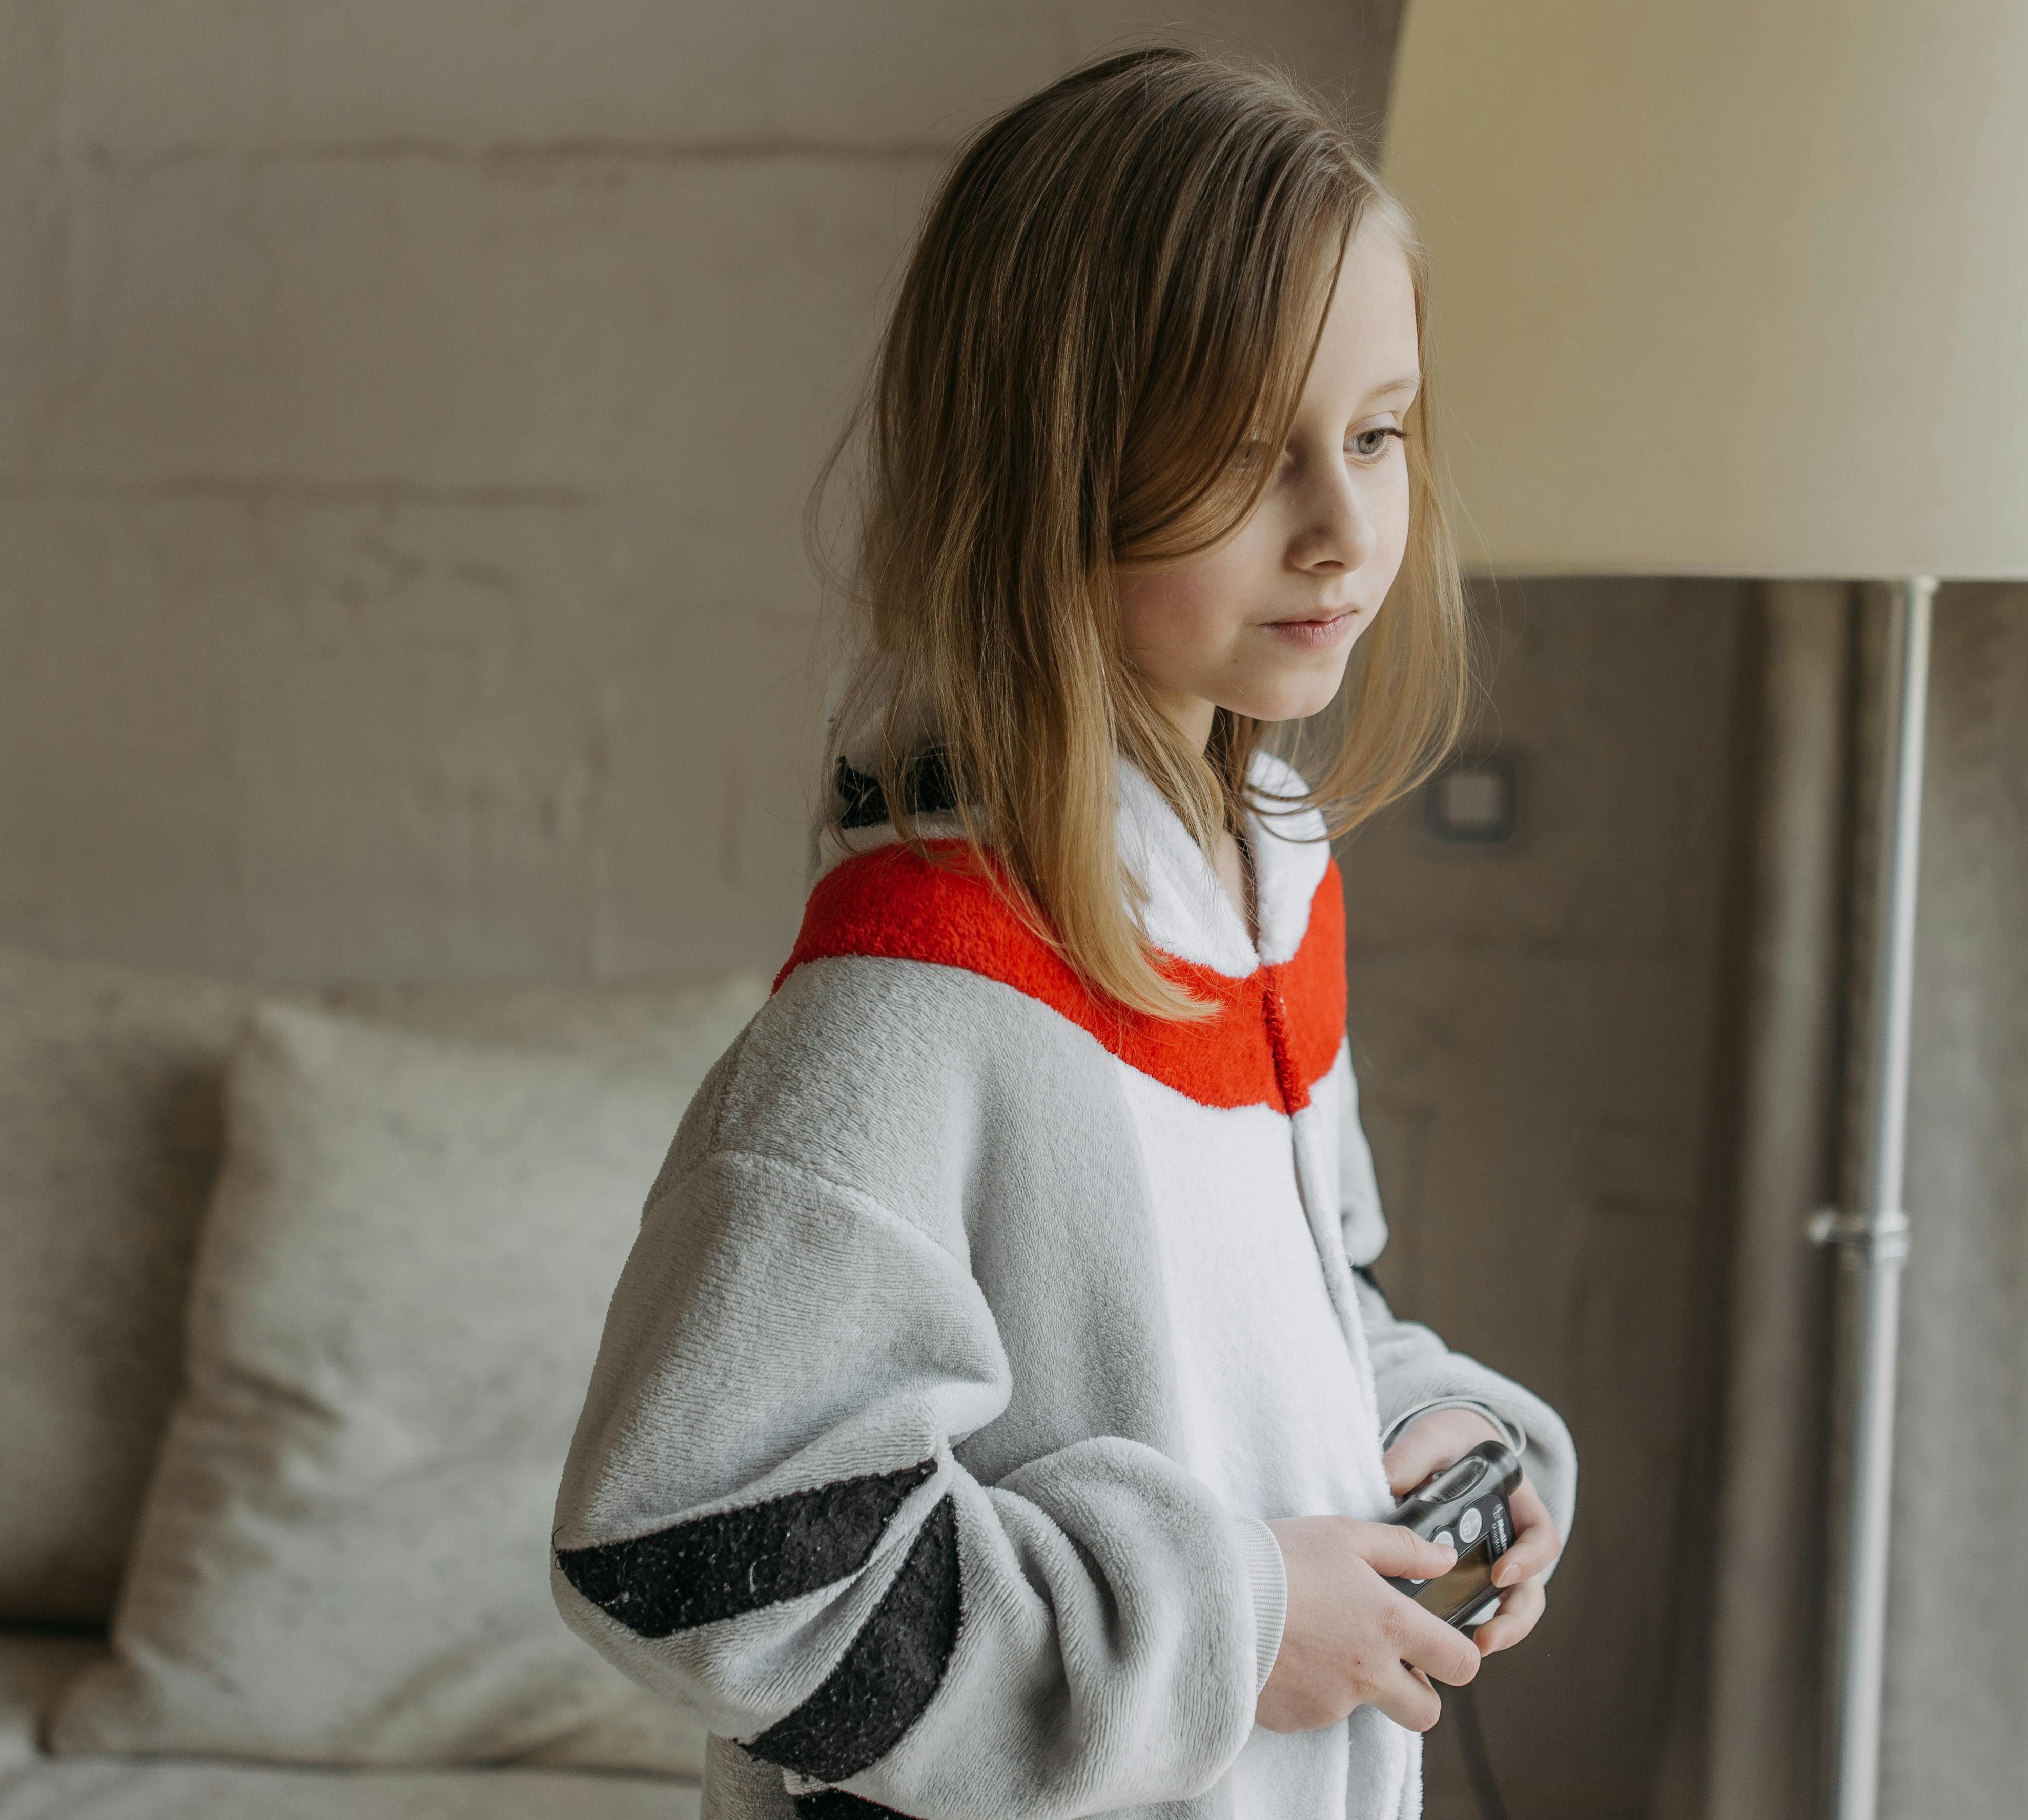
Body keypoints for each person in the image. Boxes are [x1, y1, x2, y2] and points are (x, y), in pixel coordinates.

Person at [552, 47, 1576, 1820]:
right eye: (1251, 456)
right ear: (1054, 469)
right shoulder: (914, 1002)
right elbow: (691, 1547)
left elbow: (1262, 1328)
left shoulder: (1264, 891)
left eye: (1379, 432)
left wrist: (1426, 1428)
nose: (1345, 530)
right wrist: (1233, 1627)